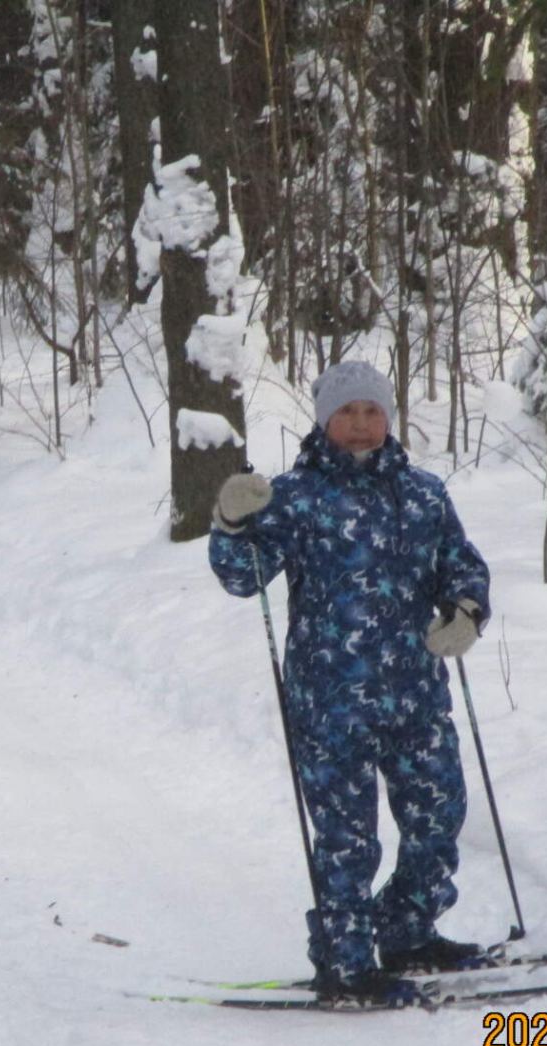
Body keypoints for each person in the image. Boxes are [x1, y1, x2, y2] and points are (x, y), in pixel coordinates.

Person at [207, 361, 491, 1005]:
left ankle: (407, 931)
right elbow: (243, 577)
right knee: (346, 837)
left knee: (438, 817)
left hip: (417, 694)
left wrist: (466, 611)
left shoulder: (423, 493)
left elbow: (462, 566)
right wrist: (229, 524)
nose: (361, 425)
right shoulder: (297, 496)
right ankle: (346, 961)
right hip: (330, 702)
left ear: (388, 419)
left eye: (372, 412)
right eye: (347, 413)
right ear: (325, 420)